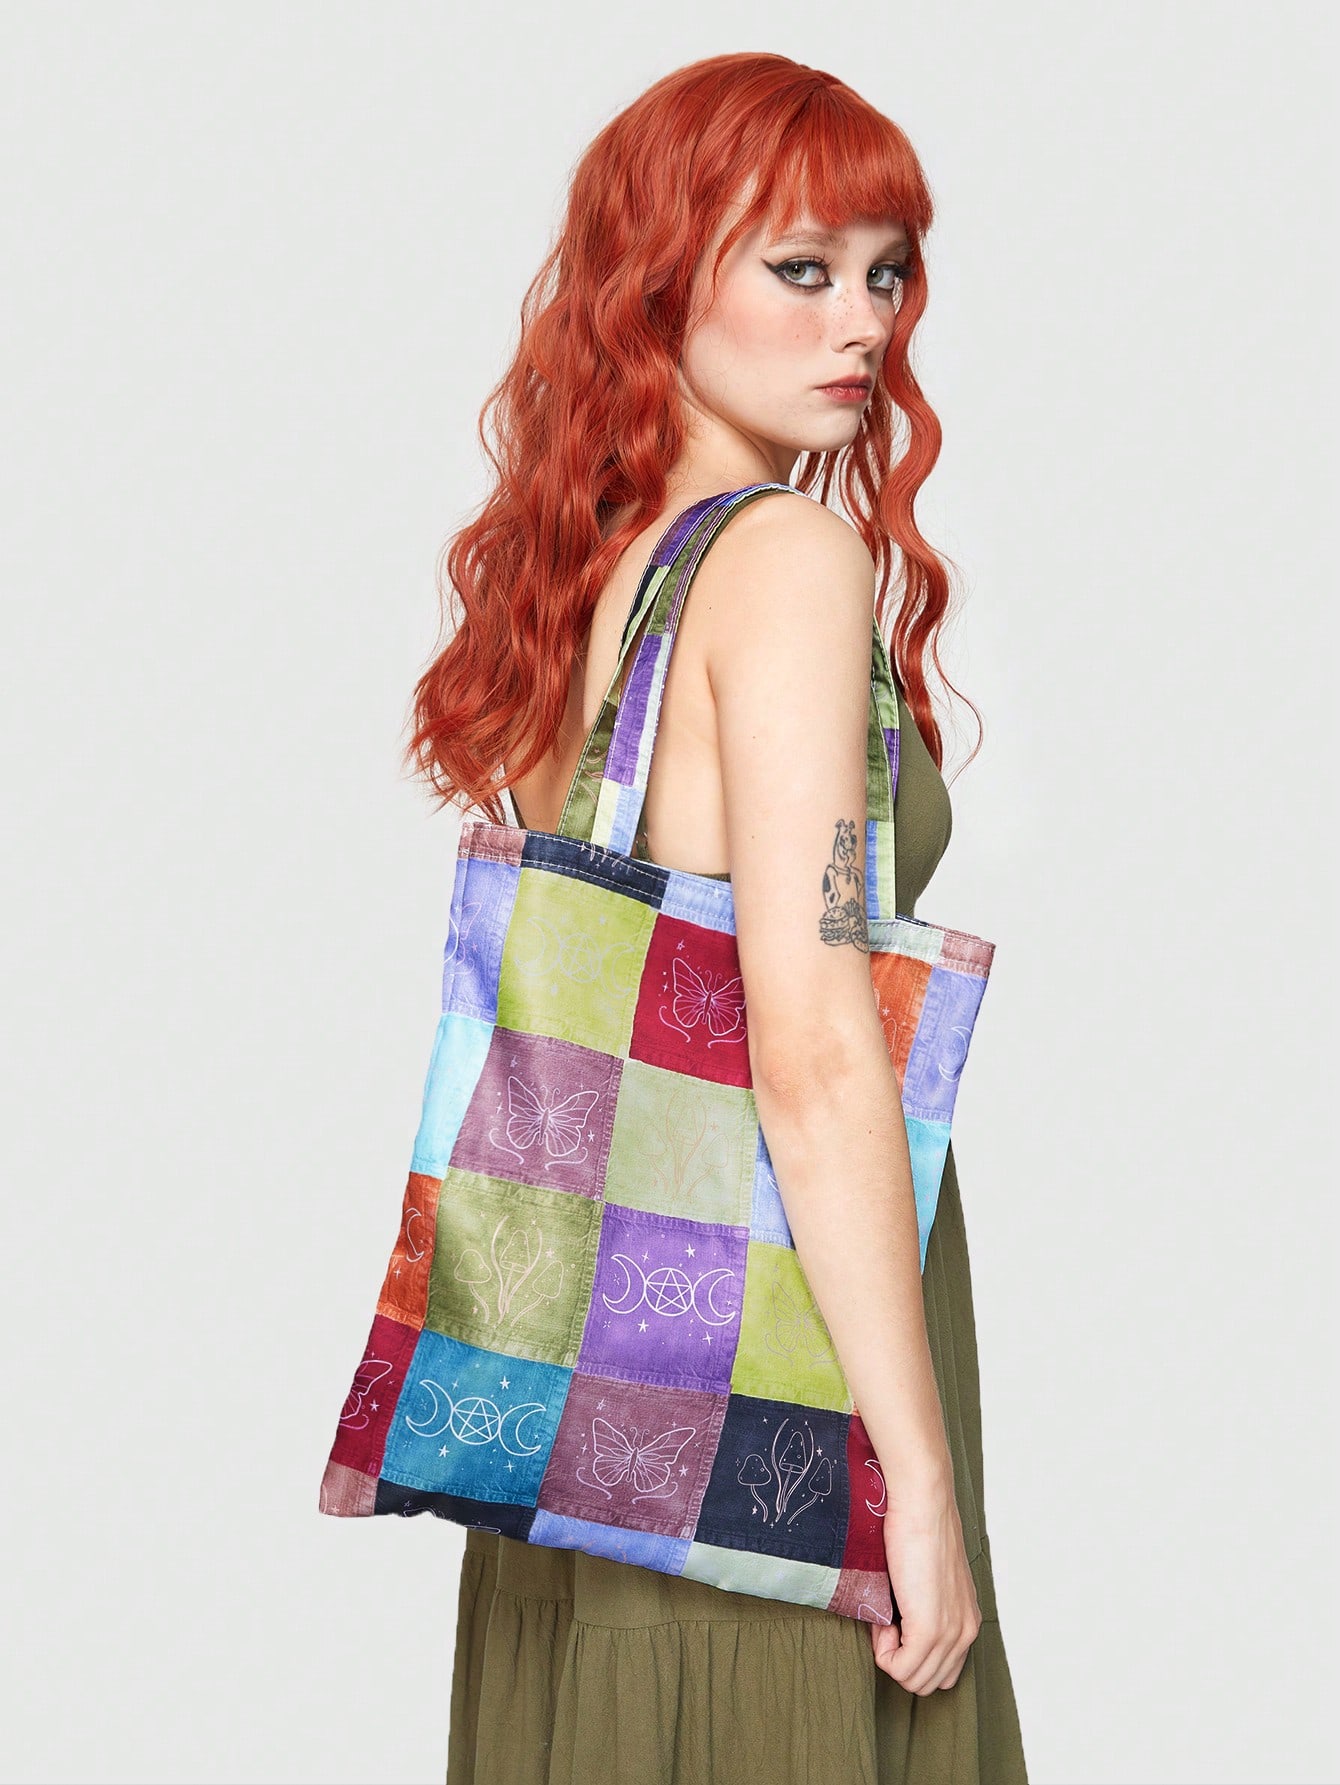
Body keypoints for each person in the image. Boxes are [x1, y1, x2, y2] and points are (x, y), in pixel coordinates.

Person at [404, 50, 1028, 1785]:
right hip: (776, 1391)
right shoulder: (785, 563)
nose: (863, 321)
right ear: (660, 274)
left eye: (886, 271)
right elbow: (814, 1056)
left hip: (591, 1409)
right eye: (803, 267)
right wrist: (918, 1482)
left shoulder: (593, 577)